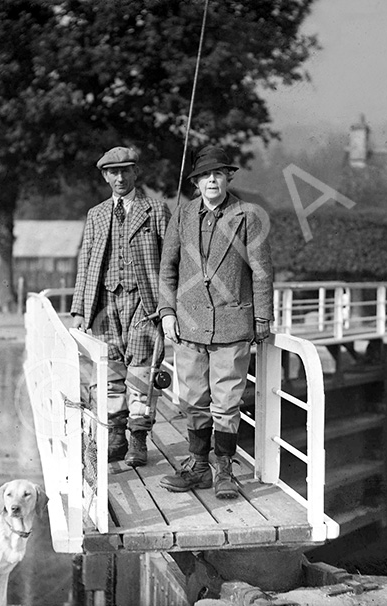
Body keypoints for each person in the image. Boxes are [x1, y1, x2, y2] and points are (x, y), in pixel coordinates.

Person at [157, 145, 273, 499]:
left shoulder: (247, 216)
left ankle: (224, 469)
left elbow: (262, 271)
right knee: (192, 399)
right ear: (195, 182)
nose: (212, 180)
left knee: (226, 401)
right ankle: (198, 465)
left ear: (227, 178)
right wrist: (167, 312)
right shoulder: (183, 215)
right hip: (189, 325)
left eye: (218, 174)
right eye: (205, 175)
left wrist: (262, 318)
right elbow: (168, 269)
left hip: (231, 325)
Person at [71, 146, 171, 467]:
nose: (119, 177)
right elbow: (85, 262)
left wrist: (168, 306)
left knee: (142, 368)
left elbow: (171, 263)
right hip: (105, 302)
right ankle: (116, 437)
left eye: (125, 170)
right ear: (104, 176)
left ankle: (138, 439)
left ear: (135, 173)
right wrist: (79, 308)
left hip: (145, 302)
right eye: (113, 172)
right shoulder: (96, 214)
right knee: (110, 369)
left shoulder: (155, 210)